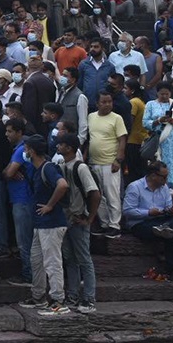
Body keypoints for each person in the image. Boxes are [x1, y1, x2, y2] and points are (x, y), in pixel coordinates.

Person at [18, 135, 70, 316]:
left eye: (26, 149)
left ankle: (58, 300)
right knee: (37, 261)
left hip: (52, 224)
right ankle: (38, 296)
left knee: (52, 262)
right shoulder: (35, 169)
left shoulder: (48, 168)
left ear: (31, 151)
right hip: (40, 224)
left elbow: (62, 185)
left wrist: (50, 205)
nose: (24, 152)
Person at [123, 160, 173, 283]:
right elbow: (128, 211)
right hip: (141, 223)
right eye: (164, 177)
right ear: (153, 176)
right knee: (171, 235)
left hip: (161, 220)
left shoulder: (164, 188)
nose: (166, 180)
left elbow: (168, 206)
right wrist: (148, 212)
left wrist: (170, 211)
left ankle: (167, 227)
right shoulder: (135, 187)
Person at [56, 133, 99, 313]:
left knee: (84, 260)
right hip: (66, 218)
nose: (58, 147)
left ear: (70, 148)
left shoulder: (80, 168)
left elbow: (94, 193)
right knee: (69, 259)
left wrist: (89, 219)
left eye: (61, 144)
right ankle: (72, 295)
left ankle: (89, 298)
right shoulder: (60, 165)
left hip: (78, 218)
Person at [143, 82, 173, 211]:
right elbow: (145, 123)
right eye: (161, 94)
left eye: (167, 94)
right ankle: (165, 205)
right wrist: (159, 120)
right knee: (162, 170)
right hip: (161, 143)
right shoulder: (151, 104)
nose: (164, 96)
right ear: (157, 93)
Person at [86, 90, 127, 238]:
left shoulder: (117, 118)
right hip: (94, 162)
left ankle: (115, 225)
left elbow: (122, 139)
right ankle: (104, 224)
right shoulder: (90, 117)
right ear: (97, 103)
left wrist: (118, 159)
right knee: (98, 196)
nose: (107, 104)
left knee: (112, 195)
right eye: (104, 102)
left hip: (110, 162)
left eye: (109, 101)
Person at [3, 117, 34, 285]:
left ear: (19, 132)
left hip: (22, 199)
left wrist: (9, 170)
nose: (6, 134)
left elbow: (8, 172)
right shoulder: (20, 148)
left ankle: (28, 274)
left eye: (9, 131)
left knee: (24, 240)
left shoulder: (21, 150)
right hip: (20, 198)